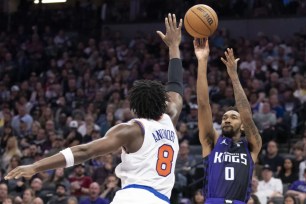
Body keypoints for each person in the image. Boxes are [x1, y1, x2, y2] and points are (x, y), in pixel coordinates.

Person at [4, 13, 183, 204]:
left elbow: (84, 152)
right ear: (162, 102)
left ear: (135, 109)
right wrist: (174, 46)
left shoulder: (131, 130)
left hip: (132, 197)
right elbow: (175, 85)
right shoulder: (170, 117)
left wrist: (36, 166)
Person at [194, 39, 262, 203]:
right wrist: (202, 61)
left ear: (244, 127)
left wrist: (233, 76)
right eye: (224, 117)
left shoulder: (253, 146)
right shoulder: (212, 141)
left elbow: (246, 115)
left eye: (233, 117)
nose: (226, 120)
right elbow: (203, 105)